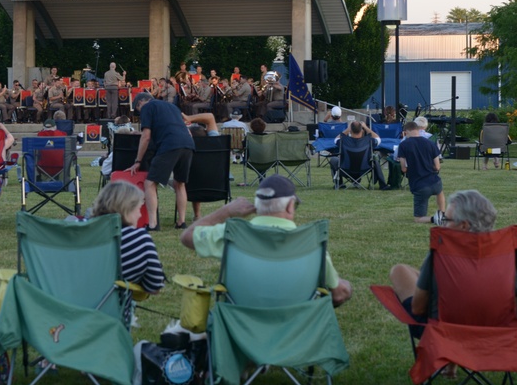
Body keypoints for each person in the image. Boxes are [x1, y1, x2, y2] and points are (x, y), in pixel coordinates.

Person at [179, 174, 353, 307]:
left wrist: (226, 212)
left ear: (257, 206)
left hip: (239, 333)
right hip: (297, 335)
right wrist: (346, 286)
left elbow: (187, 237)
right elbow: (339, 293)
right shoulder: (312, 243)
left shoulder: (230, 234)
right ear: (290, 206)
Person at [388, 190, 517, 339]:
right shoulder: (506, 254)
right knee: (410, 272)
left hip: (442, 332)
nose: (443, 224)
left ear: (463, 225)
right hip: (495, 331)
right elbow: (516, 305)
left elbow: (417, 308)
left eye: (446, 219)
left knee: (399, 271)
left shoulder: (441, 255)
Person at [90, 181, 165, 322]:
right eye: (138, 209)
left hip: (66, 321)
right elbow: (154, 286)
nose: (139, 215)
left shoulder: (77, 232)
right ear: (127, 209)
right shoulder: (138, 239)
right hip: (111, 324)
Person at [126, 91, 195, 231]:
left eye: (138, 110)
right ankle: (181, 222)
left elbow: (146, 136)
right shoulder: (172, 107)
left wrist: (138, 161)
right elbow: (185, 130)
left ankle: (153, 224)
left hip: (170, 144)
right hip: (188, 144)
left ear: (140, 103)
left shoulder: (146, 107)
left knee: (150, 182)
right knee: (180, 183)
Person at [397, 119, 445, 224]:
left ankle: (434, 219)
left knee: (418, 219)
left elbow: (403, 168)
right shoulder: (430, 143)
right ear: (418, 130)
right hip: (435, 181)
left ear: (407, 131)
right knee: (440, 192)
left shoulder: (404, 145)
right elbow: (437, 166)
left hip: (419, 185)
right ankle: (442, 213)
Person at [329, 120, 389, 190]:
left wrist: (348, 129)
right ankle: (382, 184)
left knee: (333, 159)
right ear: (361, 130)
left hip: (345, 169)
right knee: (374, 159)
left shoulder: (344, 141)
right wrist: (366, 127)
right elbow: (378, 139)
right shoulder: (368, 141)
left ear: (351, 130)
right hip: (364, 169)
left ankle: (339, 183)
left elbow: (336, 140)